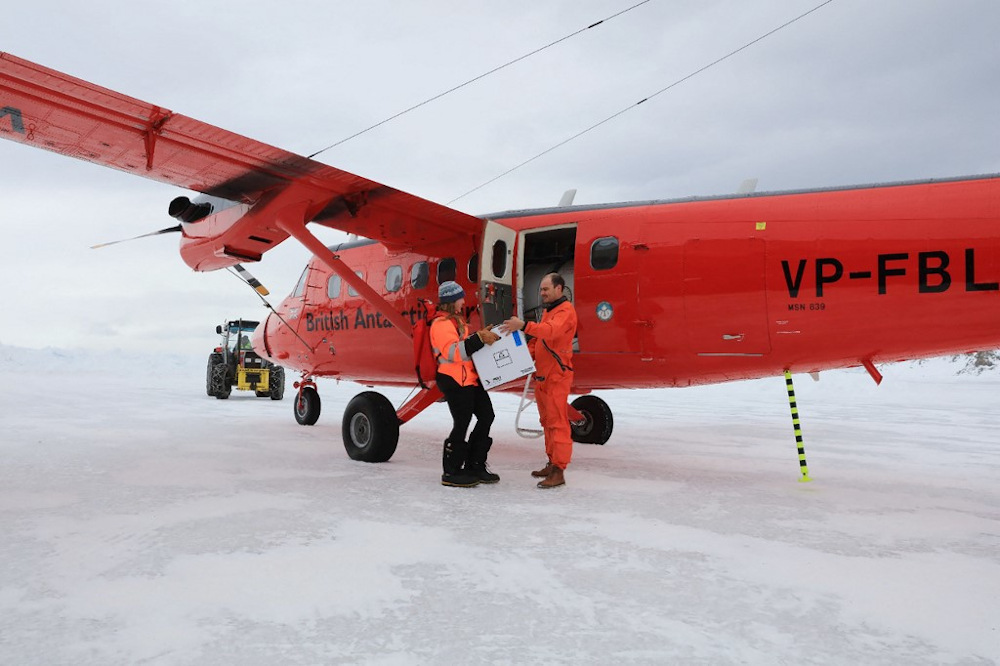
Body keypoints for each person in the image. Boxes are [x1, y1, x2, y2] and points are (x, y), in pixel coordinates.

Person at [501, 273, 578, 489]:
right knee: (547, 423)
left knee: (557, 424)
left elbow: (550, 332)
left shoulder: (565, 312)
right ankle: (552, 463)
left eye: (546, 289)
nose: (542, 293)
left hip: (556, 377)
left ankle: (559, 470)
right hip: (543, 377)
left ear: (559, 289)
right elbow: (539, 342)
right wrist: (521, 358)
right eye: (541, 289)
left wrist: (523, 326)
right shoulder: (549, 311)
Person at [430, 280, 502, 487]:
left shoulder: (455, 322)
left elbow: (464, 347)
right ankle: (451, 472)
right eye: (460, 297)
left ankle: (475, 464)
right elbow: (453, 353)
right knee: (461, 423)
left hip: (468, 378)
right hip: (453, 380)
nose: (463, 301)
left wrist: (479, 337)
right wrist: (478, 339)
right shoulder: (441, 324)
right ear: (452, 300)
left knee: (487, 415)